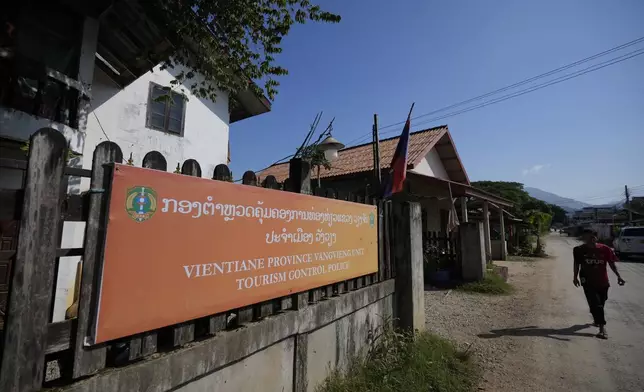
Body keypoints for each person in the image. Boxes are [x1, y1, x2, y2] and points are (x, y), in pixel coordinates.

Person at [573, 229, 625, 339]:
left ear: (596, 238)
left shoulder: (605, 249)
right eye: (588, 237)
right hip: (587, 281)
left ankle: (597, 319)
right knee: (596, 304)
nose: (591, 239)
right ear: (584, 238)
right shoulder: (579, 250)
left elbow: (611, 264)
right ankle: (602, 329)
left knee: (601, 302)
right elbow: (576, 264)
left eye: (593, 237)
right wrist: (575, 277)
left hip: (603, 281)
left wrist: (619, 276)